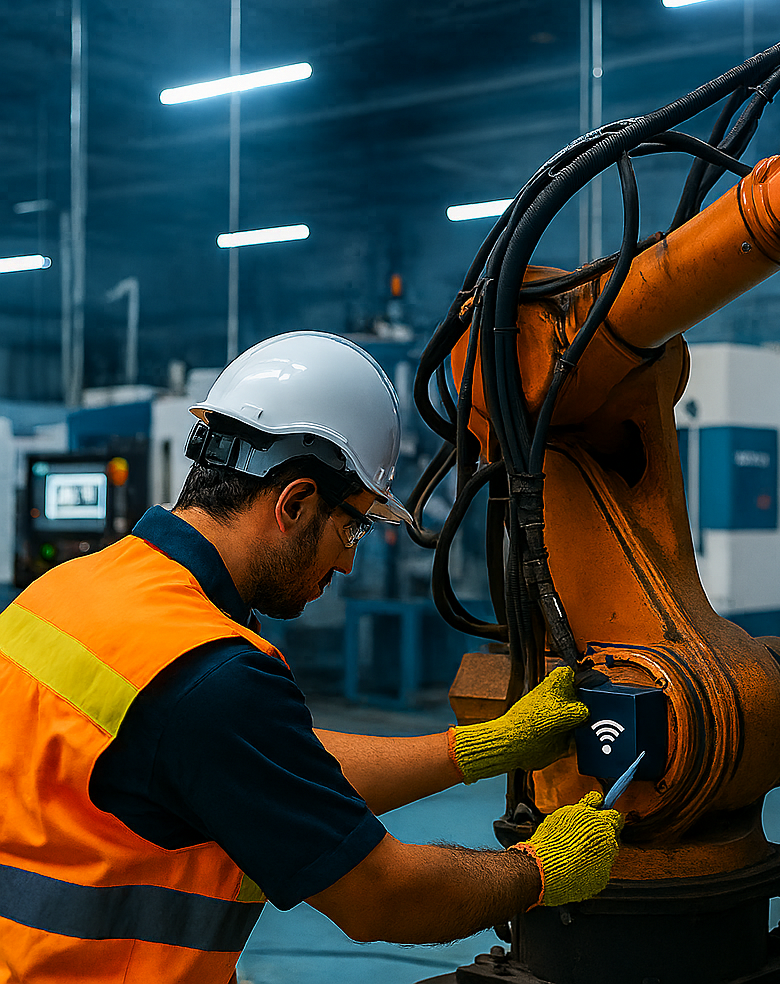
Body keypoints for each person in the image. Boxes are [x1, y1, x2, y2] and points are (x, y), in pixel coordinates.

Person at [0, 331, 623, 983]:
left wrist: (478, 748)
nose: (350, 560)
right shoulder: (209, 672)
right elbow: (382, 897)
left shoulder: (73, 590)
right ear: (294, 504)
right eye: (353, 525)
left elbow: (268, 763)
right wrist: (539, 871)